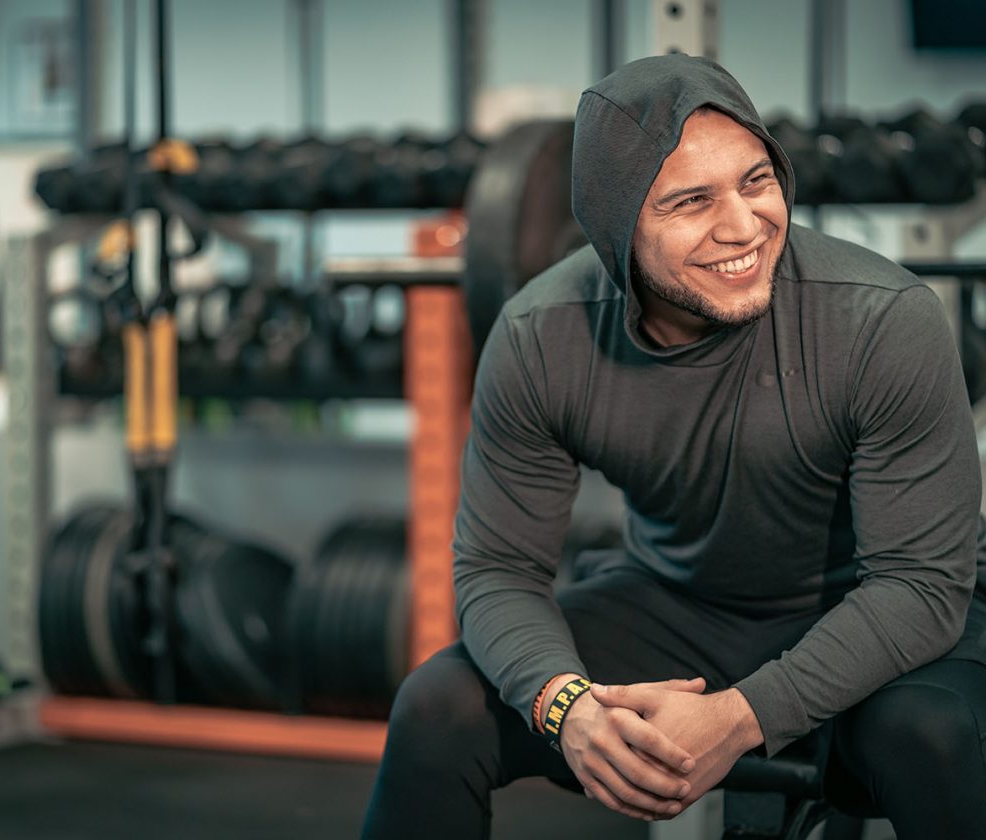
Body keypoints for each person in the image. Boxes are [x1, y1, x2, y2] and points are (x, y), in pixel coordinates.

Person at [361, 54, 986, 840]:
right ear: (618, 223)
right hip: (682, 604)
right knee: (438, 706)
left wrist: (741, 716)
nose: (743, 227)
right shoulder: (540, 336)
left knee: (931, 735)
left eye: (757, 182)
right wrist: (566, 707)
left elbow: (920, 586)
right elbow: (498, 569)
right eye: (692, 202)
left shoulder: (883, 319)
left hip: (871, 603)